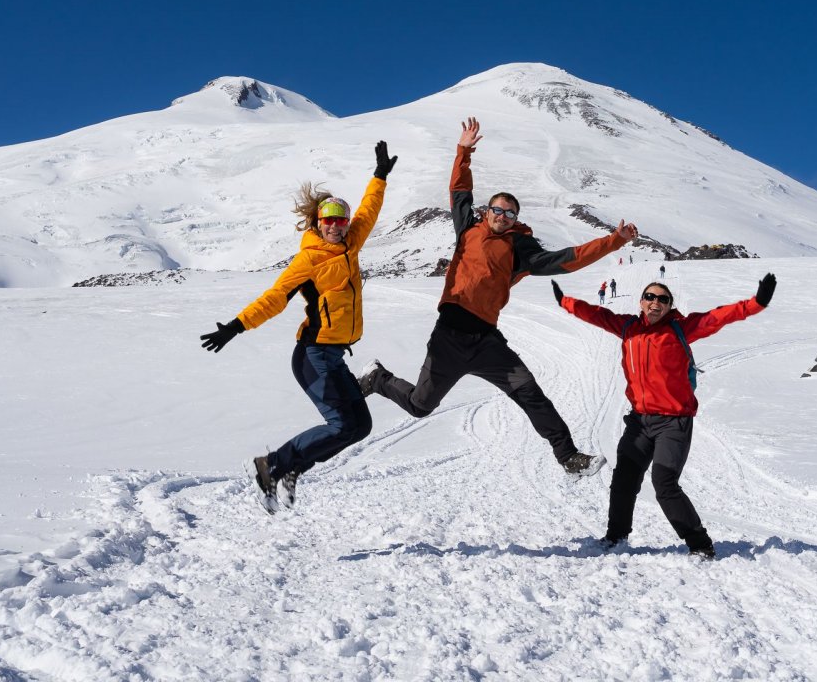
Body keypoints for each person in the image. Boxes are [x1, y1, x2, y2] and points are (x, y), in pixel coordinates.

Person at [359, 117, 638, 477]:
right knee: (419, 406)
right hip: (449, 336)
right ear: (486, 211)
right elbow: (459, 190)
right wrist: (464, 151)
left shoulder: (520, 250)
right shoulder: (468, 230)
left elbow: (568, 259)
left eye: (510, 213)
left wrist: (614, 241)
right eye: (497, 210)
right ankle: (377, 379)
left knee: (530, 393)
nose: (502, 217)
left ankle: (569, 457)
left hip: (487, 342)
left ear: (515, 219)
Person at [199, 141, 397, 513]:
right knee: (341, 425)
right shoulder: (308, 260)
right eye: (329, 221)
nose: (336, 227)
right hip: (313, 355)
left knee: (360, 427)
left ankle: (290, 468)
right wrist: (236, 326)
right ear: (317, 223)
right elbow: (275, 297)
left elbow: (369, 211)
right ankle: (271, 465)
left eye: (341, 220)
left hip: (334, 355)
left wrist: (380, 177)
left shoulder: (351, 244)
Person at [550, 273, 777, 559]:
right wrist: (565, 301)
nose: (655, 302)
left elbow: (718, 317)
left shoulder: (682, 328)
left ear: (670, 306)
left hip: (674, 421)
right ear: (641, 302)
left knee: (664, 482)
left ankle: (700, 544)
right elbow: (596, 314)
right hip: (639, 421)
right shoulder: (628, 327)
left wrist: (757, 303)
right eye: (650, 297)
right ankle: (616, 537)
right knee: (624, 480)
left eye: (662, 299)